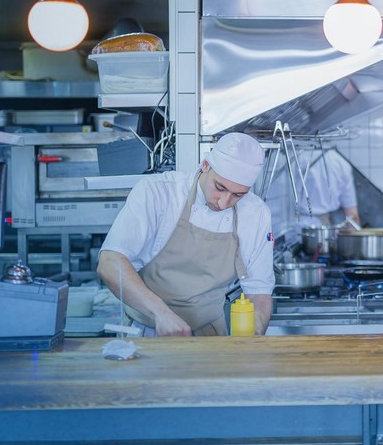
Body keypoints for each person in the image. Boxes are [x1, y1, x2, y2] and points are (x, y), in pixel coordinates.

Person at [98, 133, 275, 336]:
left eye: (238, 195)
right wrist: (160, 314)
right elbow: (110, 263)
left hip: (210, 337)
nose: (224, 202)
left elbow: (258, 291)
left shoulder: (256, 213)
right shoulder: (158, 193)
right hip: (148, 333)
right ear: (206, 165)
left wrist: (254, 334)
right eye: (220, 188)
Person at [293, 148, 360, 229]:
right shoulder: (341, 163)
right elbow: (352, 216)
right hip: (325, 230)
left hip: (295, 227)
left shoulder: (295, 157)